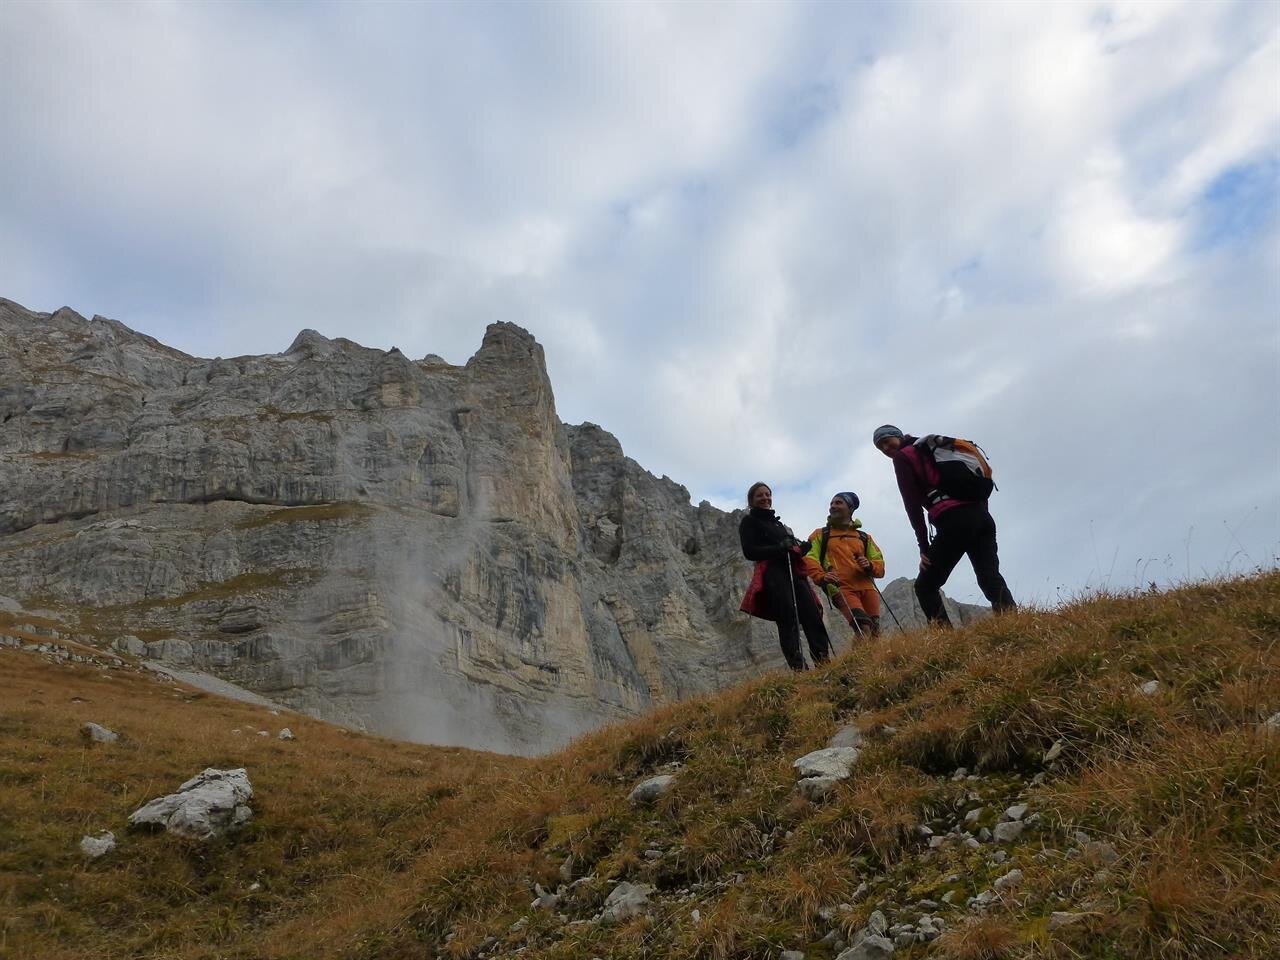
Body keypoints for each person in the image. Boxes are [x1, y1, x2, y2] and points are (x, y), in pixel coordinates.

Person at [872, 424, 1016, 626]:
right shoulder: (935, 450)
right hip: (982, 518)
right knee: (989, 575)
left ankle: (945, 638)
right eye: (881, 448)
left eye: (887, 442)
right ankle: (1013, 622)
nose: (886, 449)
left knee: (925, 586)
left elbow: (912, 506)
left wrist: (924, 548)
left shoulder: (904, 457)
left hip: (953, 521)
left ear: (898, 437)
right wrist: (980, 514)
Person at [738, 482, 832, 670]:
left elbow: (789, 548)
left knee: (812, 614)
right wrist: (780, 548)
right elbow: (750, 552)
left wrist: (800, 548)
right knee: (787, 618)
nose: (765, 498)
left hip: (794, 572)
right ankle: (799, 669)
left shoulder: (777, 523)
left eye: (767, 494)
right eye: (760, 496)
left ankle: (823, 663)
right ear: (751, 500)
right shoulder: (749, 522)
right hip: (773, 575)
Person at [800, 492, 886, 637]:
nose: (833, 506)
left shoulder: (864, 537)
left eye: (838, 503)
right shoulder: (820, 534)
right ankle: (859, 660)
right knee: (862, 628)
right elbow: (810, 558)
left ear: (850, 508)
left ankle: (867, 660)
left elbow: (880, 565)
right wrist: (821, 576)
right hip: (840, 587)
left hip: (868, 589)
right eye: (832, 504)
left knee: (874, 632)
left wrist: (870, 565)